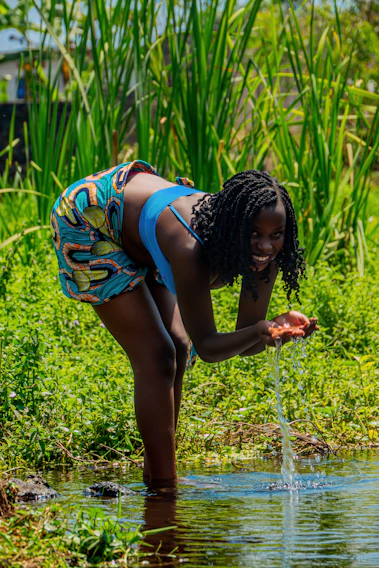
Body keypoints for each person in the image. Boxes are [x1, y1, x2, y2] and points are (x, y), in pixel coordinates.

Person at [50, 159, 317, 488]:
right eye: (254, 234)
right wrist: (262, 330)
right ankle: (164, 487)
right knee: (158, 356)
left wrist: (276, 329)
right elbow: (209, 347)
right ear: (234, 226)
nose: (265, 246)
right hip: (91, 216)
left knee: (178, 345)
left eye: (276, 235)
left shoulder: (266, 258)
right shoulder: (190, 249)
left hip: (145, 224)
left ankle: (159, 474)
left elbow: (244, 345)